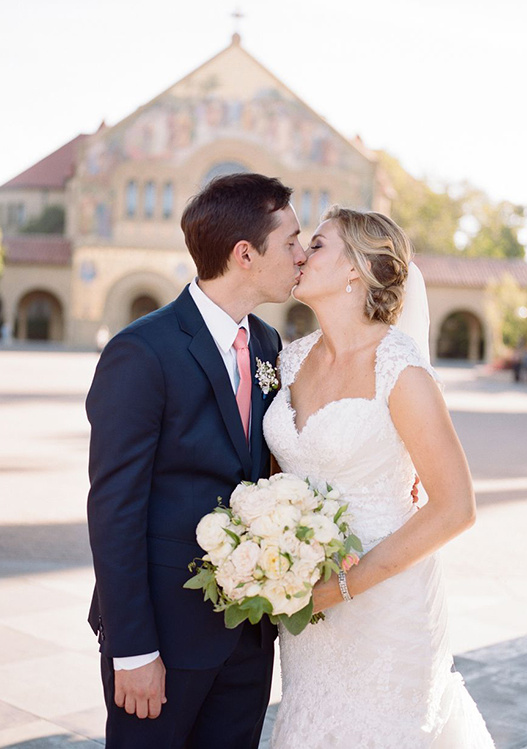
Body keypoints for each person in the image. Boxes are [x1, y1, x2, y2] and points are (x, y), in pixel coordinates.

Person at [86, 173, 306, 748]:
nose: (302, 255)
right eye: (292, 241)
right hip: (163, 639)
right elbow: (115, 508)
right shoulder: (141, 351)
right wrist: (133, 649)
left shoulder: (267, 346)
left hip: (248, 635)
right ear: (244, 255)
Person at [263, 206, 495, 747]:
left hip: (386, 606)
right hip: (307, 610)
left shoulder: (401, 369)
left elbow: (456, 507)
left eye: (316, 245)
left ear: (355, 269)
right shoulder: (289, 361)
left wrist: (341, 587)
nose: (300, 254)